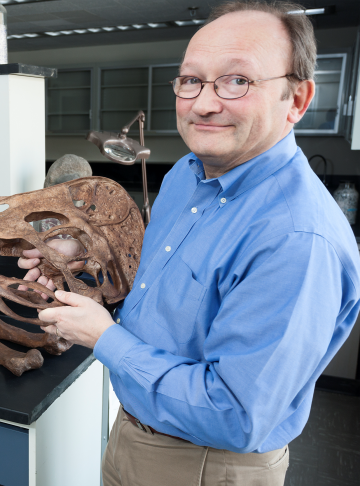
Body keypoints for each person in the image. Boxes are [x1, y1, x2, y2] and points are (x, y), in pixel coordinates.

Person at [19, 2, 360, 485]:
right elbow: (159, 285)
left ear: (297, 100)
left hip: (206, 463)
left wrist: (104, 338)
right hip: (134, 432)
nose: (203, 103)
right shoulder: (187, 174)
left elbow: (235, 415)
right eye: (191, 80)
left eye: (236, 80)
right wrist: (81, 258)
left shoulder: (296, 240)